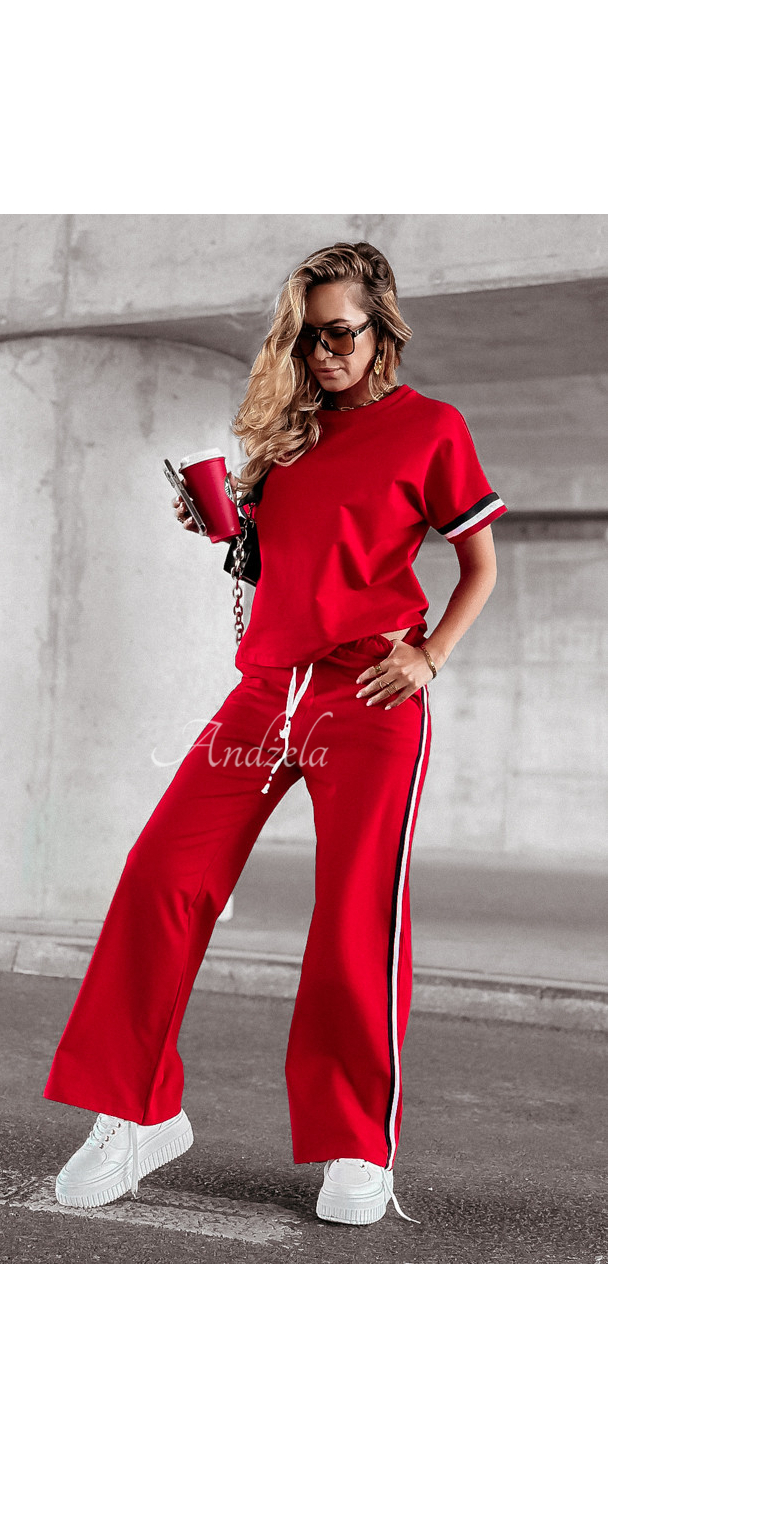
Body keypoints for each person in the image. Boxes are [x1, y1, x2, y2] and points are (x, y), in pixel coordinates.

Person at [41, 241, 504, 1227]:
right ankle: (135, 1114)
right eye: (306, 340)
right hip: (266, 692)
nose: (324, 355)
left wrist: (430, 657)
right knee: (161, 875)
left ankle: (356, 1143)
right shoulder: (288, 437)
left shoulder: (432, 429)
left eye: (340, 335)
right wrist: (222, 527)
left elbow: (480, 566)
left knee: (354, 915)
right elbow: (279, 560)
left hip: (369, 695)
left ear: (383, 328)